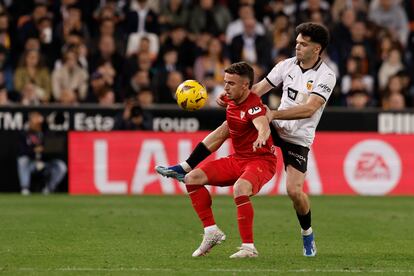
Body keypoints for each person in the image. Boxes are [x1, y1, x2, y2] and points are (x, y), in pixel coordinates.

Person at [156, 22, 336, 257]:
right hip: (274, 126)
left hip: (298, 137)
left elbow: (310, 108)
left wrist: (273, 113)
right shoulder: (287, 65)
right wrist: (234, 96)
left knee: (294, 191)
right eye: (297, 43)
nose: (298, 47)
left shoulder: (326, 75)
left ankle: (307, 233)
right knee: (228, 124)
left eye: (304, 44)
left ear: (317, 49)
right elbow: (259, 88)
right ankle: (186, 166)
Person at [159, 62, 277, 258]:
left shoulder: (253, 105)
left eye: (231, 83)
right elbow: (218, 136)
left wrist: (262, 135)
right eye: (225, 82)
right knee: (192, 178)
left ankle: (249, 248)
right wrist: (186, 166)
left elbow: (262, 123)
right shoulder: (231, 101)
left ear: (245, 85)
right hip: (238, 159)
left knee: (240, 189)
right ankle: (211, 231)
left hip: (261, 161)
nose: (225, 88)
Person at [17, 112, 67, 195]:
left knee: (61, 166)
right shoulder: (25, 134)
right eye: (33, 119)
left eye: (37, 118)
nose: (35, 121)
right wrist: (34, 150)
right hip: (32, 164)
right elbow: (21, 152)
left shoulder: (47, 133)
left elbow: (55, 150)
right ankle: (25, 188)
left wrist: (44, 150)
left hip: (45, 163)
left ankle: (48, 188)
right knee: (22, 160)